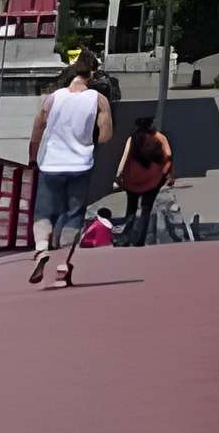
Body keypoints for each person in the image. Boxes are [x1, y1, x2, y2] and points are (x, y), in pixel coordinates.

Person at [27, 56, 111, 285]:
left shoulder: (53, 98)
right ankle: (63, 264)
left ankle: (42, 249)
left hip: (51, 163)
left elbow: (37, 129)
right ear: (92, 74)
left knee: (43, 211)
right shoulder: (99, 100)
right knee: (74, 214)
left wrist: (33, 158)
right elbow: (105, 135)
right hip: (80, 165)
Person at [116, 114, 176, 248]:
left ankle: (126, 238)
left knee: (130, 209)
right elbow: (169, 155)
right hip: (153, 180)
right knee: (146, 209)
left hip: (133, 180)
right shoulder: (160, 137)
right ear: (150, 125)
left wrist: (119, 176)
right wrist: (169, 174)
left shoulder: (133, 138)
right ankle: (140, 241)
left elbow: (125, 158)